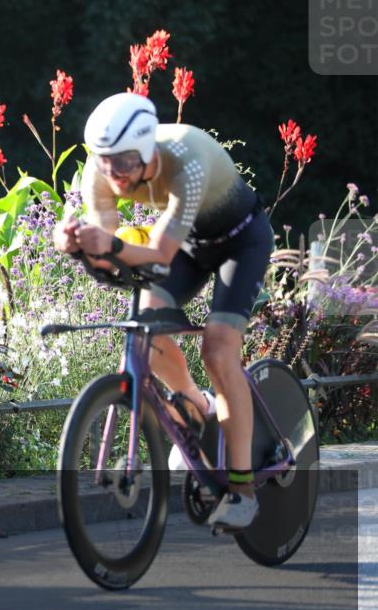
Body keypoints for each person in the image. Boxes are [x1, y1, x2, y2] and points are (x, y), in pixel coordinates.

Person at [53, 92, 273, 529]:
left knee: (218, 350)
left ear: (149, 149)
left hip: (240, 241)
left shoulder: (185, 159)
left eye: (125, 161)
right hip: (190, 245)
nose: (114, 173)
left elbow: (155, 254)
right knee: (147, 327)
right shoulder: (99, 175)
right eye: (104, 161)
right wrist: (78, 245)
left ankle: (244, 489)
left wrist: (111, 245)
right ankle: (194, 403)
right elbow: (109, 251)